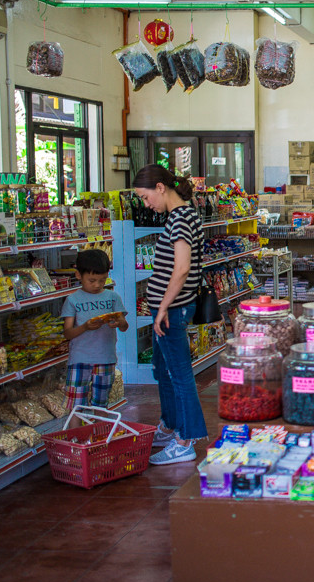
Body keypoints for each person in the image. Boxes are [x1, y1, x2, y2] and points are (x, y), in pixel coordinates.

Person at [133, 164, 207, 465]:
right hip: (169, 309)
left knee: (178, 373)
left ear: (160, 187)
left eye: (146, 197)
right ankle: (171, 424)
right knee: (162, 369)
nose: (146, 204)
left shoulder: (180, 218)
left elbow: (182, 267)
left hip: (172, 310)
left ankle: (185, 438)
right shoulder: (183, 215)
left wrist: (162, 307)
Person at [61, 249, 128, 411]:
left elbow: (125, 326)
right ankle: (76, 436)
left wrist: (118, 322)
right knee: (76, 407)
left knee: (101, 406)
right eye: (92, 280)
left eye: (102, 280)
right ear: (78, 275)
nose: (97, 285)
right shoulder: (73, 300)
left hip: (106, 358)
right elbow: (67, 333)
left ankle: (99, 435)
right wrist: (85, 327)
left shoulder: (113, 298)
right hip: (79, 360)